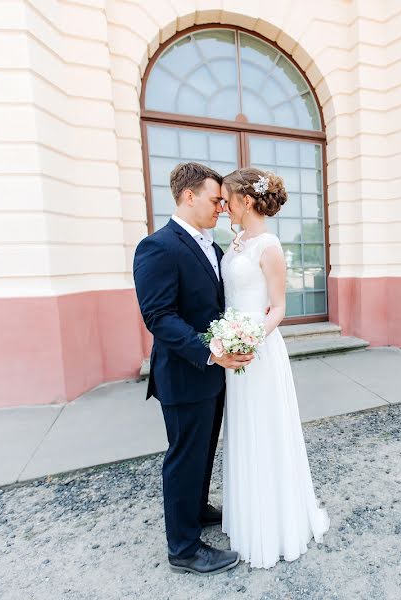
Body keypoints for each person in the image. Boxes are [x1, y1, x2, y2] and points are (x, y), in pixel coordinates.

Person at [132, 162, 252, 575]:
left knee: (203, 451)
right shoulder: (158, 246)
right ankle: (183, 549)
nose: (222, 206)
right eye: (215, 198)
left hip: (212, 374)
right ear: (188, 196)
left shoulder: (212, 247)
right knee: (184, 456)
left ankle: (196, 509)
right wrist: (210, 352)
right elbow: (159, 316)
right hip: (186, 373)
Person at [218, 167, 330, 569]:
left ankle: (275, 524)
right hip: (234, 349)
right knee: (244, 429)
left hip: (258, 351)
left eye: (227, 199)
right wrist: (227, 338)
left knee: (265, 429)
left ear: (245, 201)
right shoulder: (236, 243)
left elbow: (279, 308)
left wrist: (248, 338)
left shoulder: (269, 246)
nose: (223, 206)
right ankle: (248, 516)